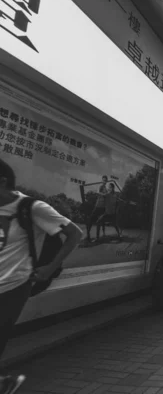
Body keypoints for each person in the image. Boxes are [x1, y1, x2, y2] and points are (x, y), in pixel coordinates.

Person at [0, 159, 83, 393]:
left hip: (14, 284)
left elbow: (75, 234)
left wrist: (49, 268)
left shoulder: (31, 207)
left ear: (2, 181)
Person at [85, 175, 108, 242]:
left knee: (99, 222)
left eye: (105, 180)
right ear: (102, 180)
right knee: (90, 220)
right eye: (103, 180)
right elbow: (97, 192)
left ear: (106, 181)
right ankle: (88, 235)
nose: (104, 181)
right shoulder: (101, 186)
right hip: (98, 206)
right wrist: (103, 194)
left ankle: (98, 237)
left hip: (102, 207)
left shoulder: (106, 189)